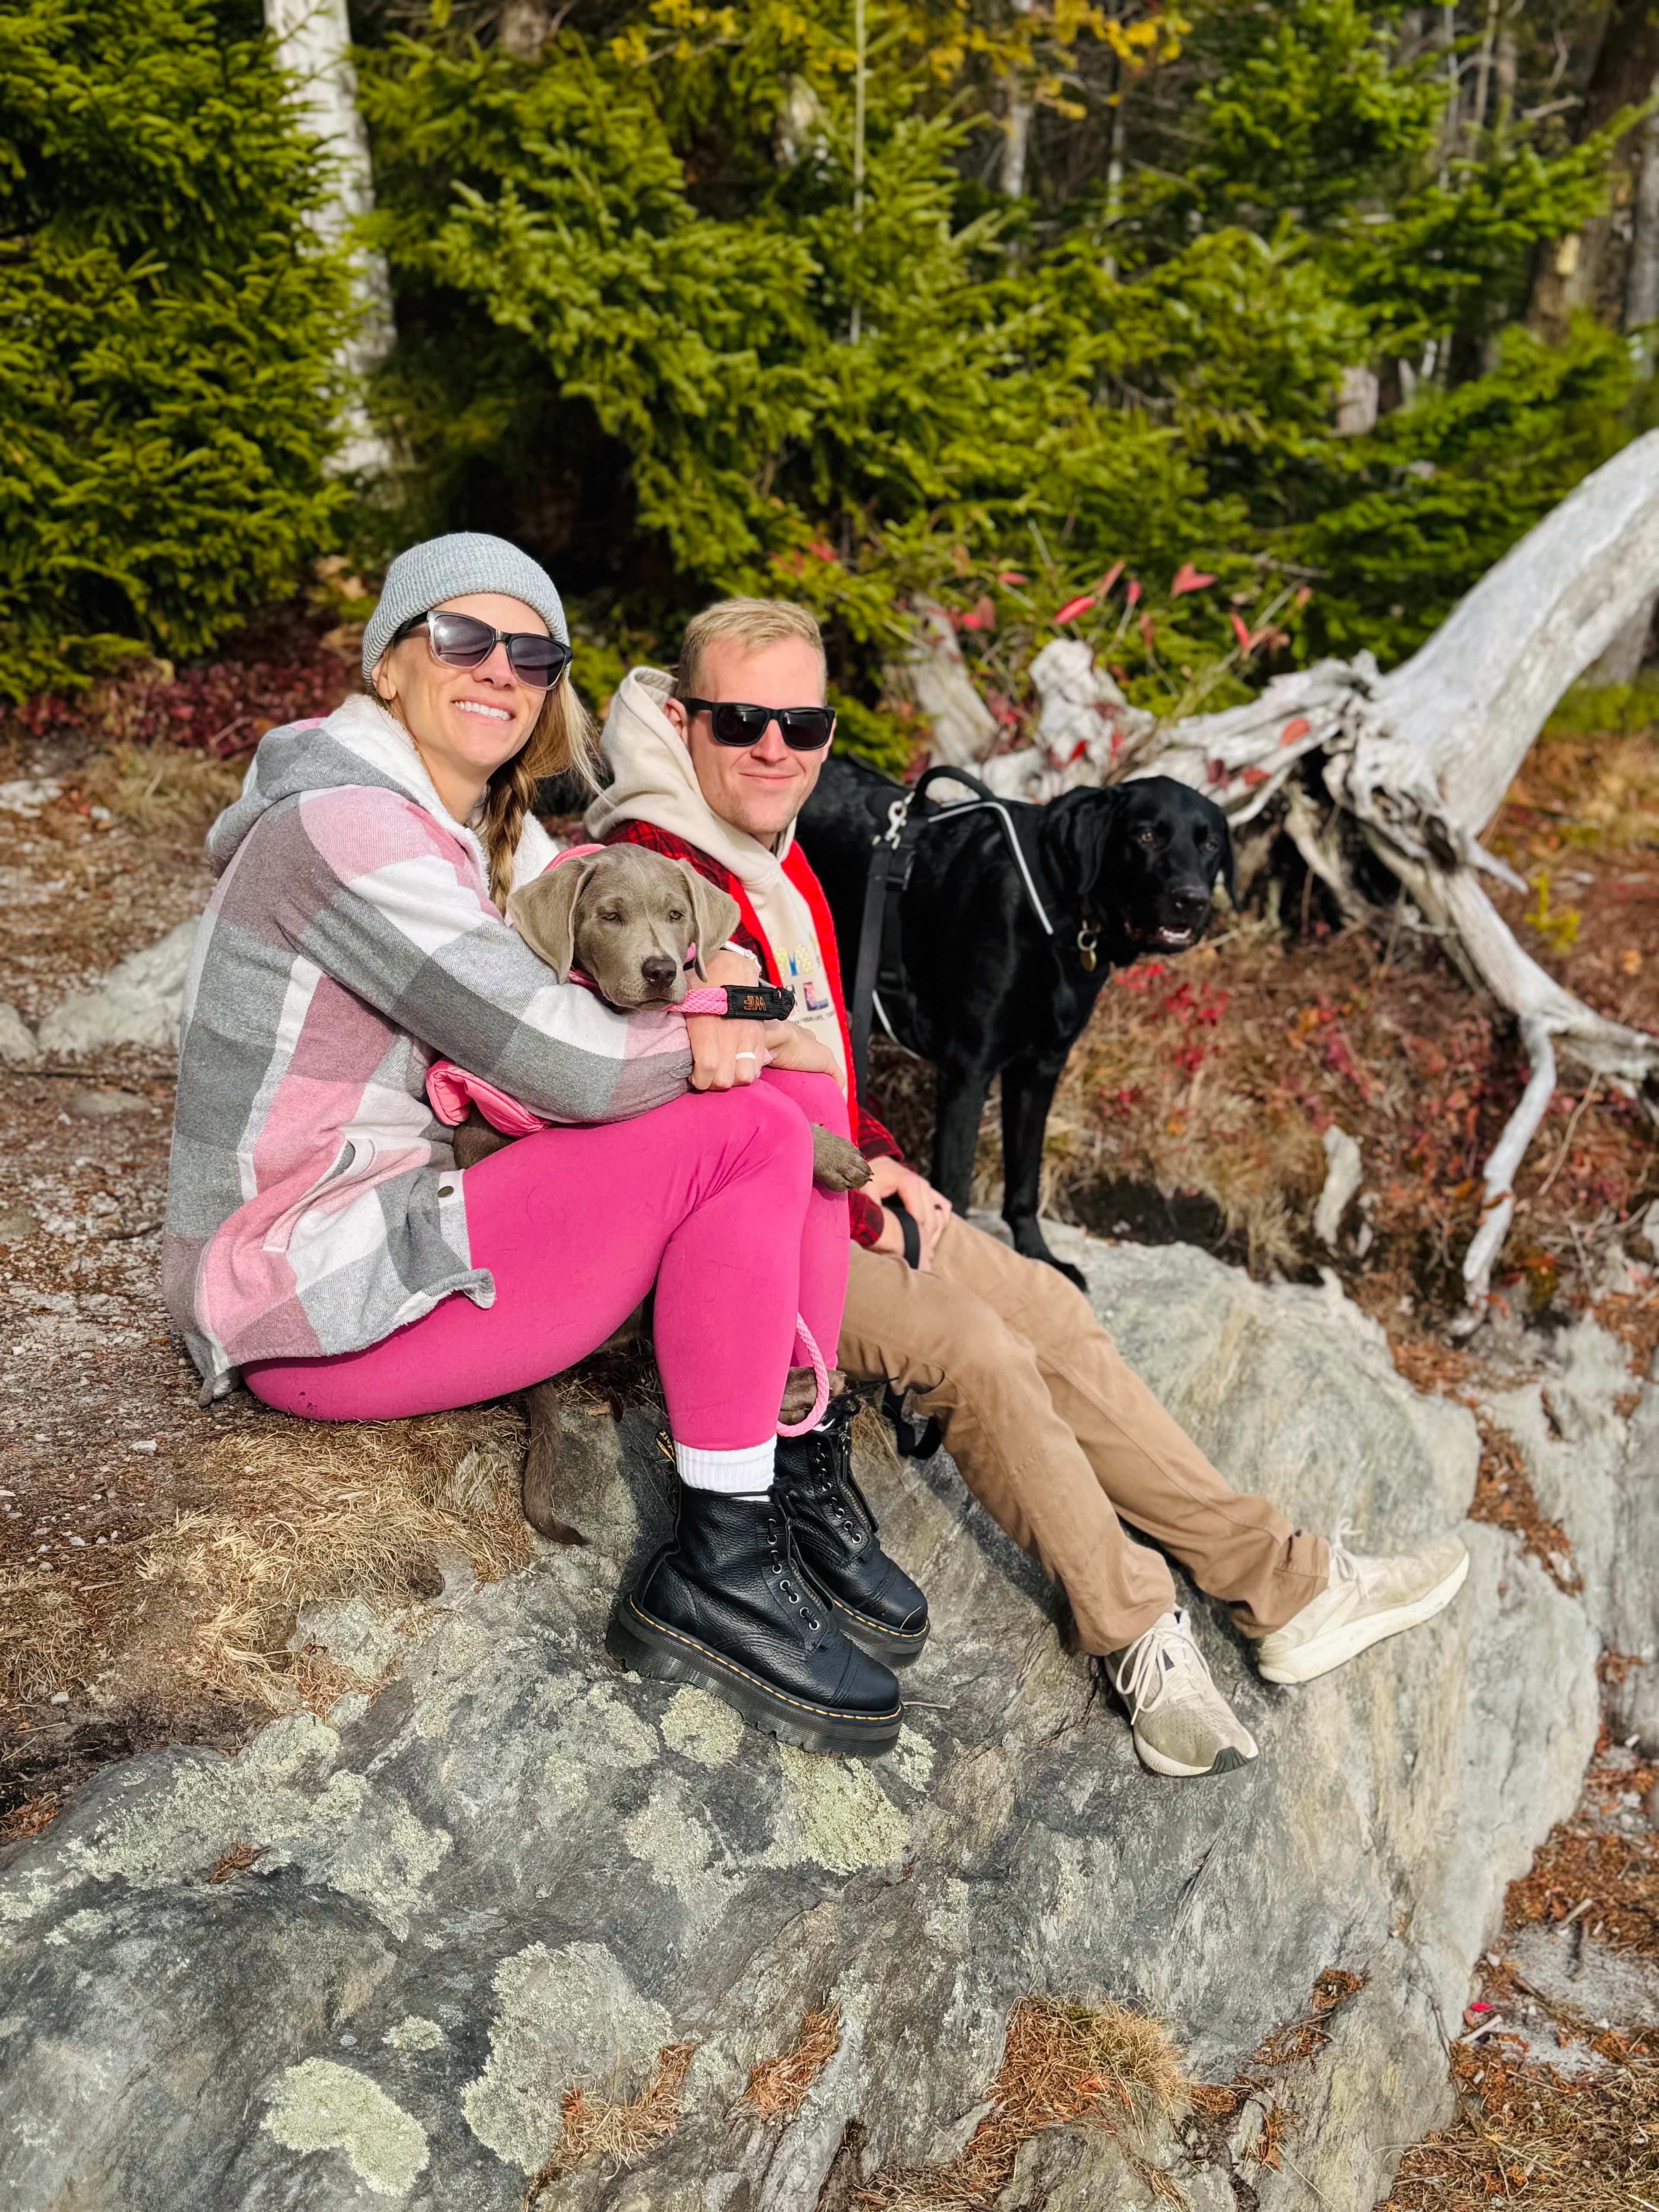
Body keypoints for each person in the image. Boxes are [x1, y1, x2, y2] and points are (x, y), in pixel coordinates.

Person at [586, 597, 1471, 1780]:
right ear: (685, 719)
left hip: (826, 1193)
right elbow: (671, 1098)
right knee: (982, 1353)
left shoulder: (763, 844)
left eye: (806, 724)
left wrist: (876, 1154)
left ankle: (1286, 1584)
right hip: (727, 1245)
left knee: (1050, 1310)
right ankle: (1136, 1631)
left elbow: (808, 1068)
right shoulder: (652, 871)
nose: (777, 748)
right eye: (743, 718)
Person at [162, 535, 912, 1757]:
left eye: (534, 652)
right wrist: (721, 1035)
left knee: (807, 1110)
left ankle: (788, 1470)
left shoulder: (469, 829)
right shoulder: (346, 830)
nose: (500, 670)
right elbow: (565, 1062)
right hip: (305, 1292)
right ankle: (720, 1561)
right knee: (742, 1129)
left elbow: (647, 919)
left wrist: (724, 990)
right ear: (389, 666)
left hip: (408, 1230)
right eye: (461, 638)